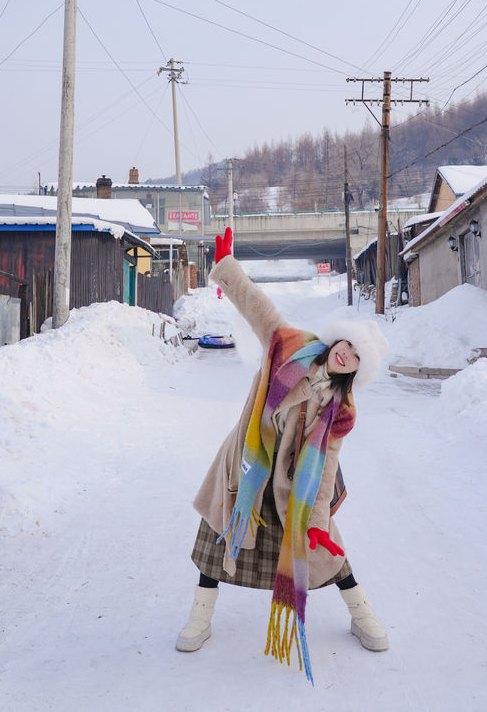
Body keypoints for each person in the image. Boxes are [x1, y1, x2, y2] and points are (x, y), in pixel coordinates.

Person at [176, 228, 389, 683]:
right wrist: (229, 267)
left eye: (353, 358)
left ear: (355, 372)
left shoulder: (342, 411)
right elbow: (257, 305)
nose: (344, 355)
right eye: (345, 346)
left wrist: (316, 521)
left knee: (325, 551)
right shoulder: (290, 344)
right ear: (335, 342)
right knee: (218, 538)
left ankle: (360, 612)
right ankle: (200, 616)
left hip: (296, 483)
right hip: (249, 465)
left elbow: (327, 463)